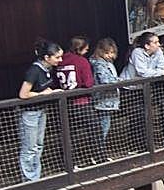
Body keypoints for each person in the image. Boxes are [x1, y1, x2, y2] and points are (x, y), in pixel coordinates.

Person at [17, 40, 63, 182]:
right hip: (30, 113)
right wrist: (43, 95)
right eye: (57, 57)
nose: (60, 60)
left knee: (38, 145)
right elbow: (23, 94)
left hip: (41, 110)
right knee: (29, 147)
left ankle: (35, 176)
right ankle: (30, 179)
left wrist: (50, 92)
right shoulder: (34, 70)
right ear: (47, 58)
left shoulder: (47, 70)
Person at [121, 32, 164, 152]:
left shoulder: (158, 52)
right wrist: (160, 72)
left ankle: (144, 146)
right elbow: (143, 72)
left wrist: (160, 71)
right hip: (130, 88)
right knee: (136, 118)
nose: (159, 44)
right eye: (155, 42)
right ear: (147, 46)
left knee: (146, 116)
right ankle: (136, 147)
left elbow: (163, 66)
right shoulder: (137, 52)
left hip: (144, 88)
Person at [57, 36, 101, 165]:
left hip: (65, 103)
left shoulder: (60, 60)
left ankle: (69, 163)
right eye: (86, 49)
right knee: (95, 129)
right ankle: (99, 157)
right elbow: (88, 83)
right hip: (81, 102)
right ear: (79, 48)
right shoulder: (81, 61)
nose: (87, 51)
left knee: (69, 134)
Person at [90, 38, 121, 158]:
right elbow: (105, 81)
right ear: (100, 51)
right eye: (107, 52)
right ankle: (98, 154)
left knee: (104, 127)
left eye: (112, 52)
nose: (110, 55)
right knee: (103, 127)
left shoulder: (107, 63)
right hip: (102, 100)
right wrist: (119, 81)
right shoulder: (99, 64)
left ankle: (99, 153)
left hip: (108, 100)